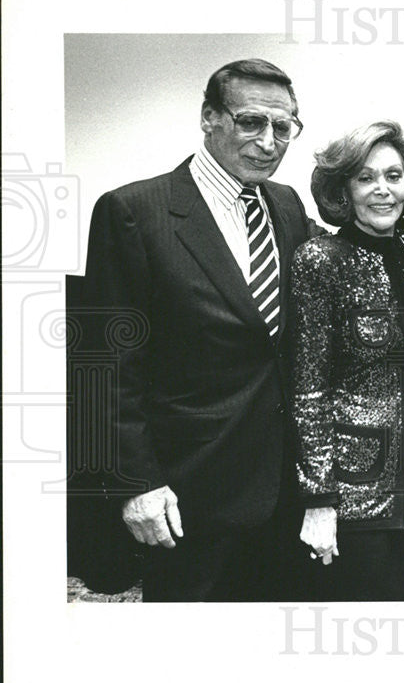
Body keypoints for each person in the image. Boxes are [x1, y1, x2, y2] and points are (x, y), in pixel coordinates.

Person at [80, 59, 320, 601]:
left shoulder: (285, 204)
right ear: (209, 118)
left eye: (284, 127)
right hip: (190, 495)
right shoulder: (134, 211)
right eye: (251, 122)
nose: (269, 141)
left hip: (282, 490)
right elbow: (105, 369)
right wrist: (134, 483)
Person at [292, 121, 404, 601]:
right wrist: (319, 500)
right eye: (366, 178)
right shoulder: (320, 259)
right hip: (354, 497)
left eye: (394, 176)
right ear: (342, 190)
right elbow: (308, 387)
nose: (383, 190)